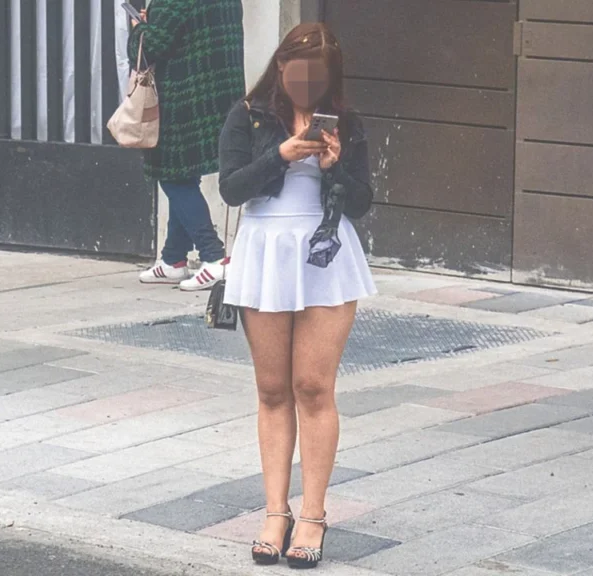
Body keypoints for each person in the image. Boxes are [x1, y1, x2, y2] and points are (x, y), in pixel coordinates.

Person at [217, 23, 376, 569]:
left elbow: (362, 202)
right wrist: (281, 156)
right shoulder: (249, 115)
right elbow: (232, 188)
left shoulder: (346, 123)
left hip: (326, 252)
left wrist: (335, 168)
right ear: (281, 66)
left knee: (313, 386)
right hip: (266, 250)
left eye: (318, 77)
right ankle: (274, 512)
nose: (305, 84)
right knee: (271, 389)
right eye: (297, 72)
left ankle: (313, 514)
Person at [128, 0, 246, 291]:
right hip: (219, 93)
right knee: (183, 174)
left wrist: (139, 28)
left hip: (184, 97)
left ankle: (214, 256)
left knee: (171, 174)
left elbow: (151, 46)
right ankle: (173, 259)